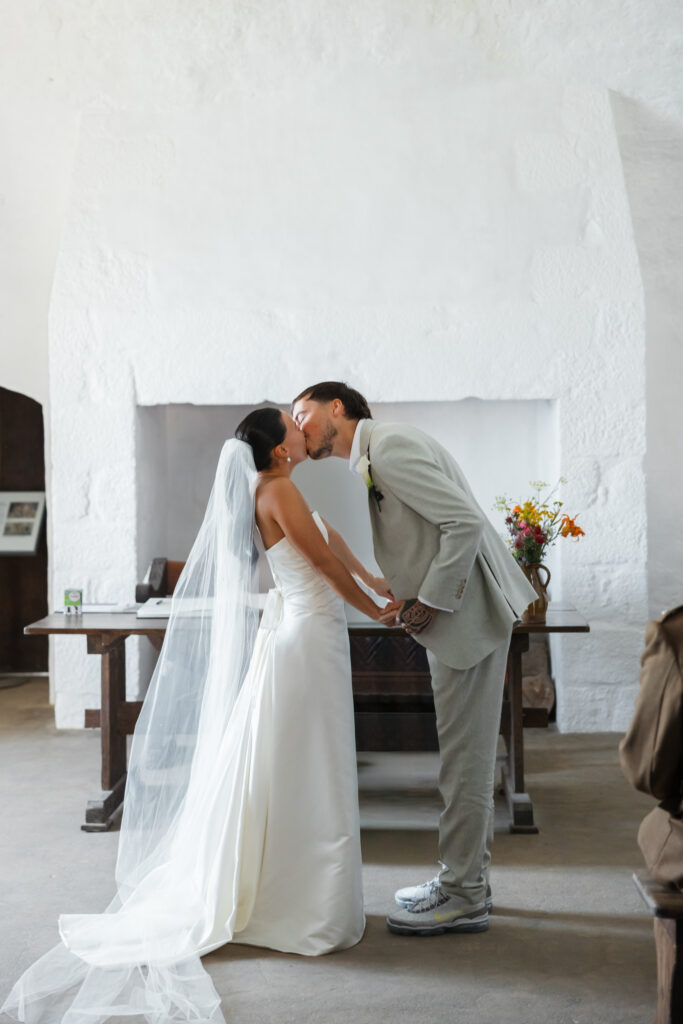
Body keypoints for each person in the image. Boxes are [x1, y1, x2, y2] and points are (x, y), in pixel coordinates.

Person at [2, 407, 398, 1024]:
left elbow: (331, 544)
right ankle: (299, 903)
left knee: (306, 761)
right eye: (291, 424)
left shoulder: (286, 488)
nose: (301, 427)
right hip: (304, 635)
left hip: (313, 633)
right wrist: (375, 613)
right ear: (276, 447)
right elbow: (318, 564)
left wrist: (373, 579)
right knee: (305, 767)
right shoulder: (277, 491)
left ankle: (310, 895)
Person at [292, 382, 538, 937]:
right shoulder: (381, 450)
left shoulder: (391, 448)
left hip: (463, 620)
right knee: (462, 758)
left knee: (465, 764)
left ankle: (463, 895)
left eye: (302, 413)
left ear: (338, 408)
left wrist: (428, 601)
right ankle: (465, 879)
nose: (298, 426)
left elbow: (464, 523)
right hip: (457, 621)